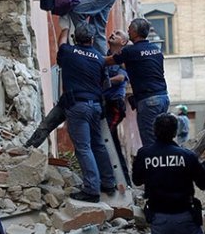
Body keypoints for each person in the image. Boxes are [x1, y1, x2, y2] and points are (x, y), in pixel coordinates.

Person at [57, 21, 116, 202]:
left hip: (78, 106)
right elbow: (106, 83)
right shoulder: (99, 58)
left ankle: (91, 190)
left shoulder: (68, 52)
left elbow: (61, 42)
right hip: (96, 106)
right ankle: (108, 182)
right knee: (98, 144)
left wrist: (65, 26)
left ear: (75, 38)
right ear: (92, 39)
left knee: (83, 148)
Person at [132, 113, 205, 234]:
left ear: (154, 131)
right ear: (175, 132)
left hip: (159, 217)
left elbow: (136, 180)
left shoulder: (144, 154)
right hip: (185, 216)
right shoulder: (187, 156)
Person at [106, 18, 170, 147]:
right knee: (161, 137)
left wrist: (87, 56)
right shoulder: (156, 50)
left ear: (135, 32)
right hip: (163, 98)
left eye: (129, 28)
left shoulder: (130, 51)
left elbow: (108, 61)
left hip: (149, 101)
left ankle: (153, 160)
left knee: (150, 142)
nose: (128, 30)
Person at [103, 29, 132, 186]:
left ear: (123, 42)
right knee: (111, 142)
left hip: (115, 105)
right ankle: (122, 180)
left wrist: (104, 82)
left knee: (104, 138)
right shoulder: (105, 55)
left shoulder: (124, 57)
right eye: (113, 32)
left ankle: (120, 181)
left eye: (118, 33)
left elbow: (121, 77)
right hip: (105, 104)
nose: (113, 34)